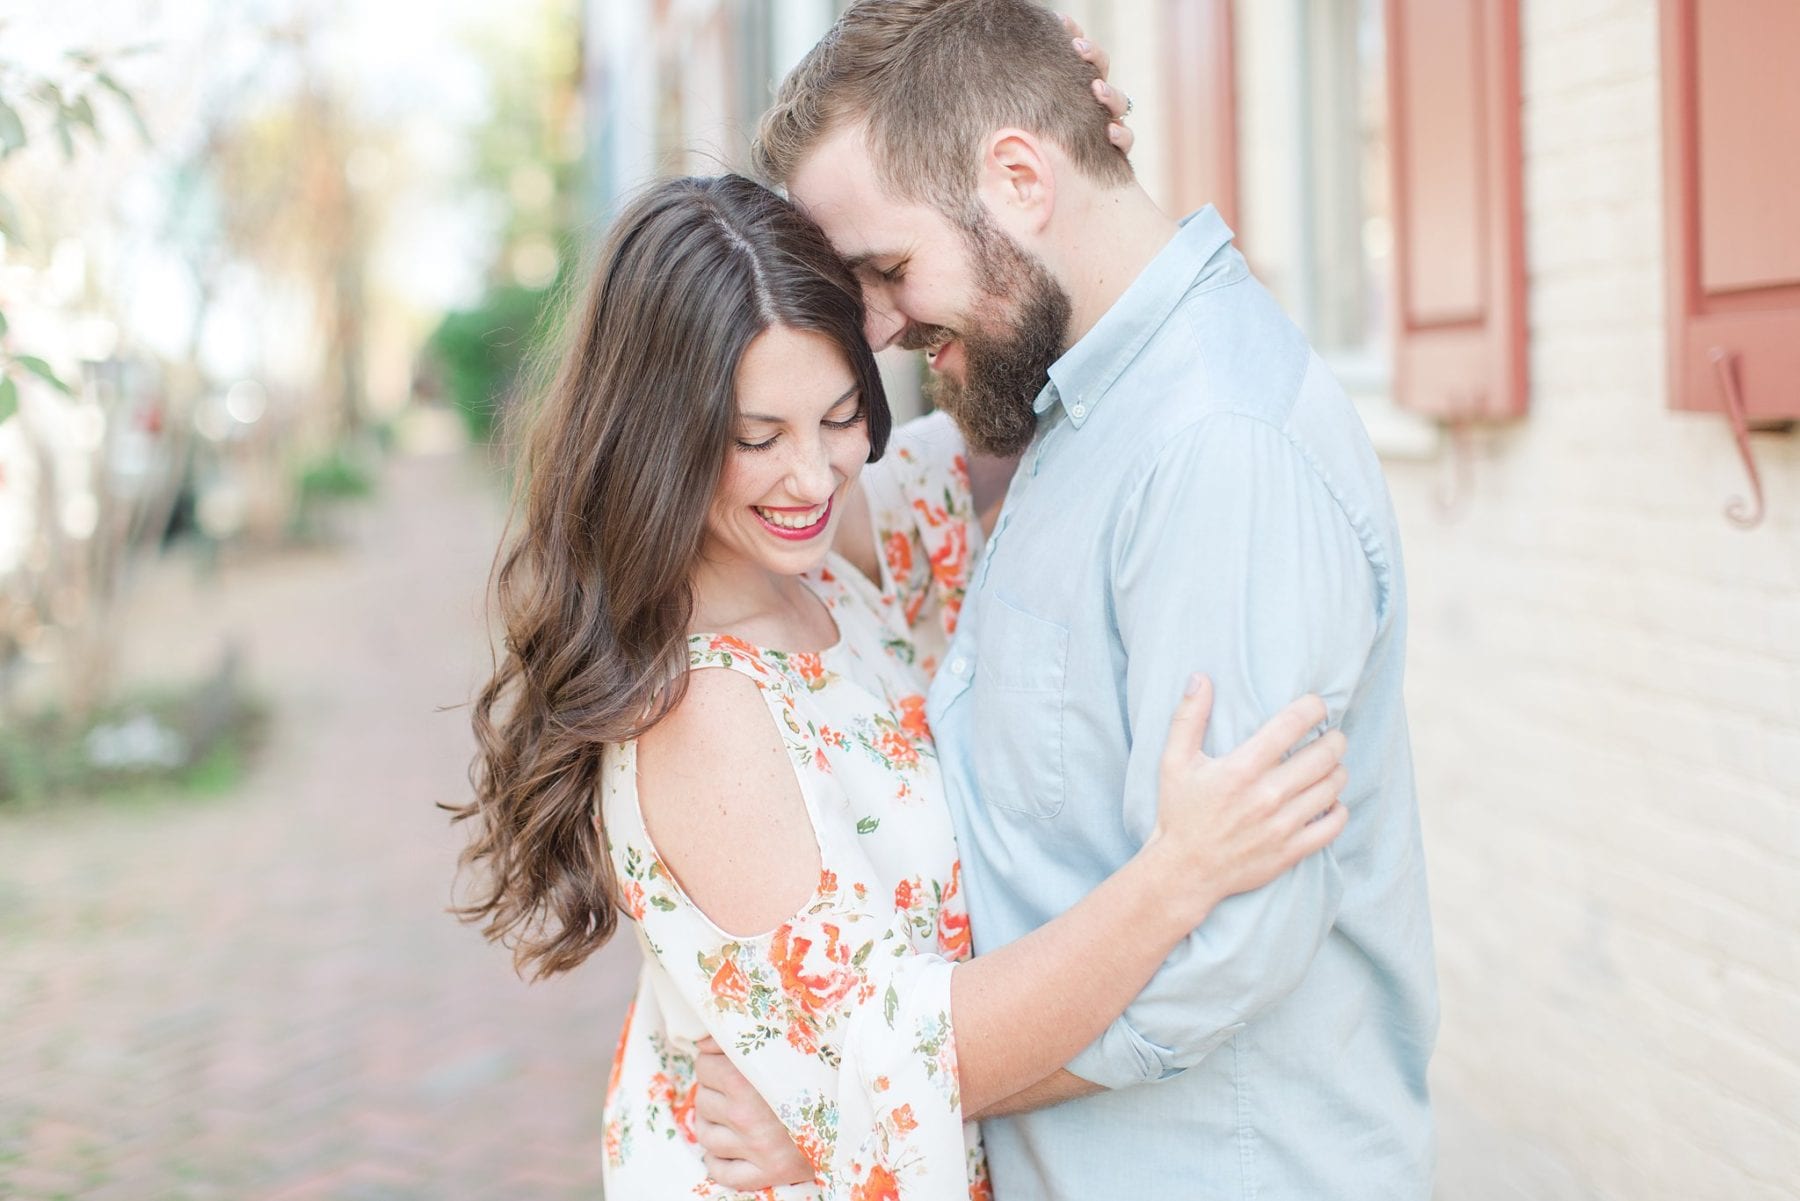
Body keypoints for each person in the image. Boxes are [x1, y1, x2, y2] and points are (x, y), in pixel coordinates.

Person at [447, 171, 1349, 1200]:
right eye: (756, 439)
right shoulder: (707, 715)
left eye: (839, 417)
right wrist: (1180, 874)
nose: (813, 477)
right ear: (660, 439)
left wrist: (1085, 181)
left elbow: (1058, 411)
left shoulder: (826, 558)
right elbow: (904, 1059)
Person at [697, 2, 1440, 1198]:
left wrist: (856, 1111)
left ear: (1020, 177)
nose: (880, 324)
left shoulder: (1216, 450)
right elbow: (769, 489)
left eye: (888, 269)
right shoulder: (1070, 401)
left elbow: (1219, 946)